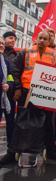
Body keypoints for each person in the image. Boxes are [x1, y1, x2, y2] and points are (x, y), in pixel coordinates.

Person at [12, 30, 56, 161]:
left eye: (45, 39)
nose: (42, 40)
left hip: (46, 95)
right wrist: (17, 88)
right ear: (36, 38)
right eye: (40, 38)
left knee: (48, 124)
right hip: (26, 93)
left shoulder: (54, 55)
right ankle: (13, 152)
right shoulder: (25, 52)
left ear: (49, 41)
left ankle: (51, 151)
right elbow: (15, 70)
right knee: (22, 122)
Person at [0, 36, 15, 166]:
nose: (1, 45)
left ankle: (11, 153)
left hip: (6, 99)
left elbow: (10, 76)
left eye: (2, 44)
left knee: (11, 125)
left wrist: (9, 84)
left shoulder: (6, 61)